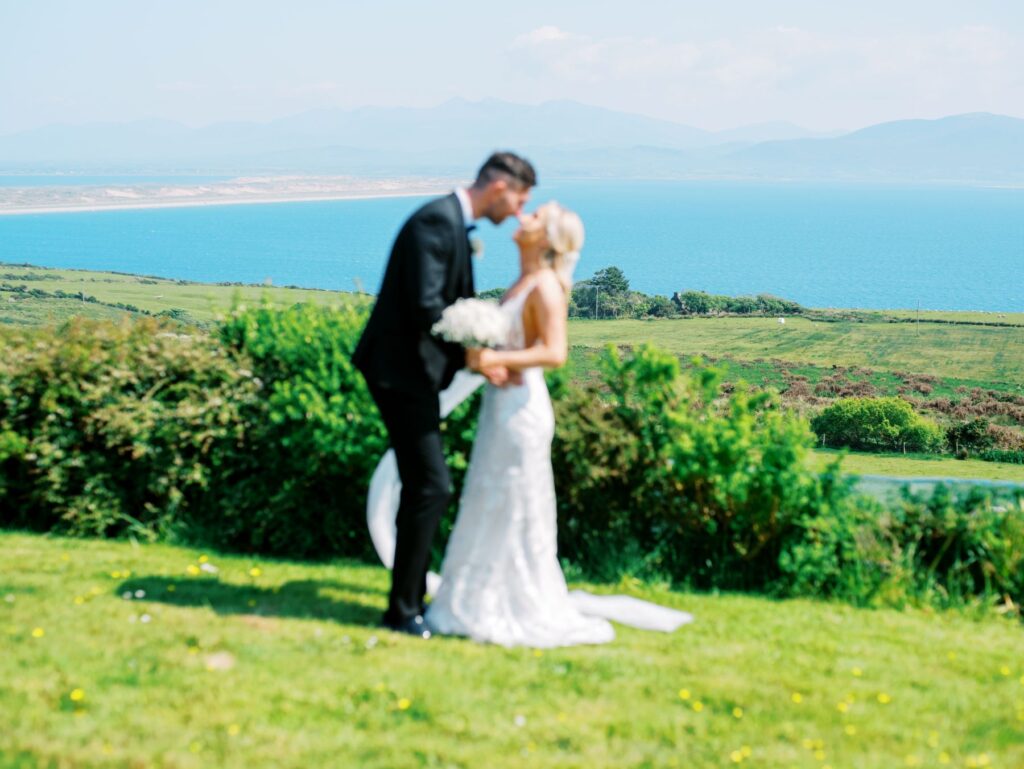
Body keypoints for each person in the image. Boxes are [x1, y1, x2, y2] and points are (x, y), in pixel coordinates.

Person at [352, 152, 536, 638]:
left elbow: (441, 309)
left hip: (413, 373)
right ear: (500, 187)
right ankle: (403, 611)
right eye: (520, 199)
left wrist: (474, 355)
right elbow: (426, 309)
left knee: (425, 486)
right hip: (399, 373)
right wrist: (472, 358)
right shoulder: (437, 220)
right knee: (430, 486)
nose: (519, 211)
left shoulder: (452, 222)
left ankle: (409, 599)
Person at [423, 202, 619, 647]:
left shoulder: (546, 286)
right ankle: (477, 598)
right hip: (501, 404)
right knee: (490, 496)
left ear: (546, 238)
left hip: (522, 412)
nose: (523, 215)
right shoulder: (523, 282)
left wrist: (493, 357)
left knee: (513, 499)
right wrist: (479, 359)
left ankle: (513, 603)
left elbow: (554, 352)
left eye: (536, 215)